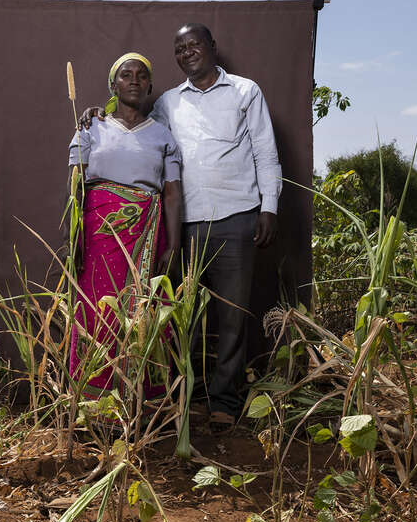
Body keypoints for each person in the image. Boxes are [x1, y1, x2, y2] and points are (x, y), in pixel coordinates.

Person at [81, 23, 282, 432]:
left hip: (237, 215)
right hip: (183, 226)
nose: (188, 52)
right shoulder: (168, 104)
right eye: (180, 49)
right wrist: (96, 114)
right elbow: (131, 129)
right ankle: (181, 398)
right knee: (177, 317)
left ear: (212, 47)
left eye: (195, 45)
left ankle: (224, 401)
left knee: (231, 316)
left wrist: (270, 207)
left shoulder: (246, 92)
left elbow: (265, 150)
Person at [67, 52, 183, 401]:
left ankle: (141, 402)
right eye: (126, 74)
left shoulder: (163, 136)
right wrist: (74, 238)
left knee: (145, 313)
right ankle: (93, 400)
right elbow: (75, 187)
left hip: (147, 234)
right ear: (113, 85)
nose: (134, 80)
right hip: (100, 233)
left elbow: (173, 194)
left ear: (149, 86)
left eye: (142, 75)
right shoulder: (91, 127)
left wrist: (173, 245)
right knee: (97, 308)